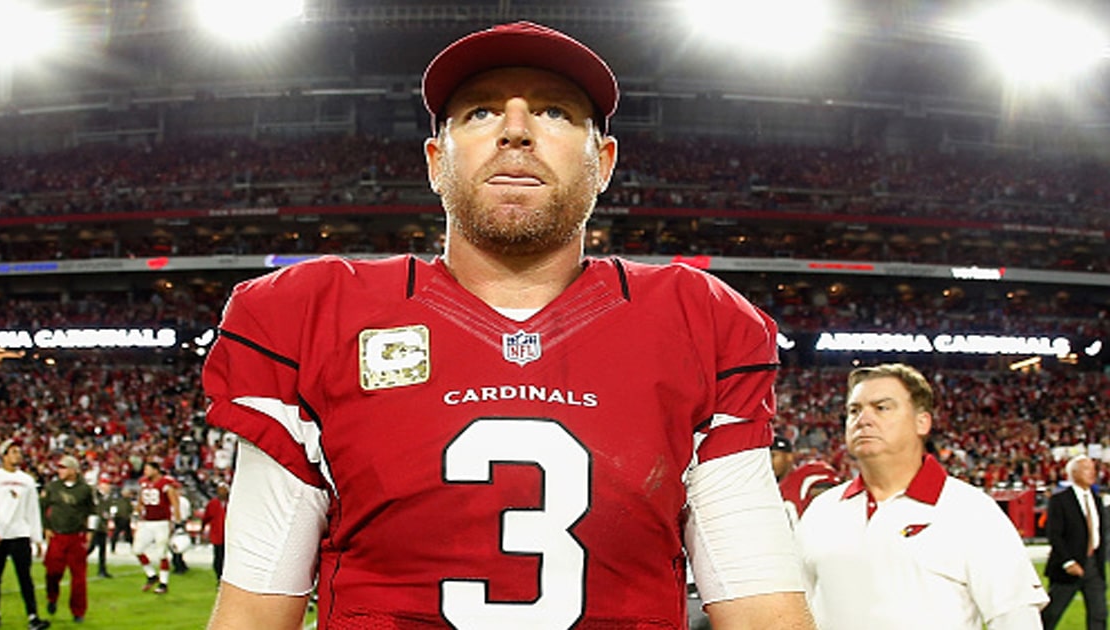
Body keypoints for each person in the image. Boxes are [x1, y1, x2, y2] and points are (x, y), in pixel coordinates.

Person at [202, 20, 813, 629]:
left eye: (553, 112)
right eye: (480, 113)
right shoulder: (313, 314)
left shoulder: (698, 321)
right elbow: (256, 605)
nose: (515, 131)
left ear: (602, 162)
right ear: (436, 161)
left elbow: (759, 601)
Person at [797, 363, 1047, 629]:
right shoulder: (821, 511)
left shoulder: (972, 511)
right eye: (854, 410)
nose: (863, 419)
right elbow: (794, 611)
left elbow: (1016, 619)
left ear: (922, 422)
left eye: (881, 408)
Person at [0, 439, 50, 629]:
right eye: (13, 451)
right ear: (3, 455)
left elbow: (32, 511)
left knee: (25, 577)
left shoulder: (27, 481)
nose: (17, 455)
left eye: (19, 451)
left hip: (19, 533)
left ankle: (33, 617)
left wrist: (37, 539)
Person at [1041, 455, 1107, 629]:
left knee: (1099, 614)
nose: (1092, 473)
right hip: (1069, 567)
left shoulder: (1096, 499)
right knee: (1052, 613)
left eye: (1093, 469)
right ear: (1073, 473)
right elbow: (1054, 534)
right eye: (1087, 469)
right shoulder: (1060, 500)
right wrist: (1068, 562)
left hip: (1094, 566)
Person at [40, 455, 95, 623]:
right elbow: (42, 507)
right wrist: (46, 527)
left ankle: (78, 611)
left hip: (76, 536)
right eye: (59, 468)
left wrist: (90, 531)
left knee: (79, 577)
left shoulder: (85, 489)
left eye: (64, 467)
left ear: (73, 470)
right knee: (52, 572)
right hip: (57, 535)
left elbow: (93, 511)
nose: (60, 471)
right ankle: (52, 597)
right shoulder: (52, 487)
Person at [133, 461, 180, 594]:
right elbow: (141, 499)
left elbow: (174, 501)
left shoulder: (165, 483)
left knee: (161, 553)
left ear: (156, 470)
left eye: (148, 469)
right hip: (146, 521)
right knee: (137, 550)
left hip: (162, 522)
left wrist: (177, 520)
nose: (145, 472)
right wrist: (137, 511)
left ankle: (164, 584)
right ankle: (152, 575)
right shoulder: (143, 482)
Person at [200, 482, 229, 583]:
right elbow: (206, 518)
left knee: (228, 558)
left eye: (224, 490)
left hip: (230, 536)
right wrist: (202, 530)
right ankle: (219, 577)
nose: (222, 492)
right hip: (217, 535)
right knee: (218, 558)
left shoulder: (232, 503)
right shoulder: (213, 504)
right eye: (220, 490)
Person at [86, 478, 113, 578]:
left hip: (102, 526)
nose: (108, 487)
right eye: (106, 485)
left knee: (102, 549)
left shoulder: (107, 497)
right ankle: (77, 562)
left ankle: (102, 570)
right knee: (91, 547)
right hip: (94, 526)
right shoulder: (96, 495)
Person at [108, 487, 134, 553]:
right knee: (117, 533)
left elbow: (130, 509)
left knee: (128, 534)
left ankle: (133, 548)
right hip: (120, 518)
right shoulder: (119, 501)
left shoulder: (127, 501)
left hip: (125, 519)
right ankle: (113, 548)